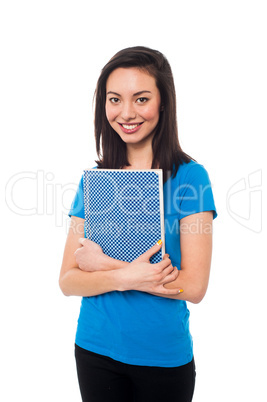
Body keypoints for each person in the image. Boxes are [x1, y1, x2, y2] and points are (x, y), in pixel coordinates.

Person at [59, 46, 217, 402]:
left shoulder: (191, 179)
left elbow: (193, 288)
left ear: (163, 103)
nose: (126, 113)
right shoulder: (95, 181)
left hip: (163, 357)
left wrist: (103, 267)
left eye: (141, 99)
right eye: (115, 99)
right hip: (94, 349)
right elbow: (68, 280)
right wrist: (127, 275)